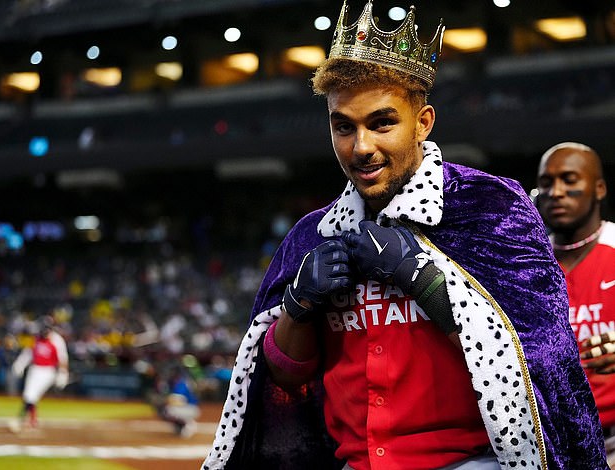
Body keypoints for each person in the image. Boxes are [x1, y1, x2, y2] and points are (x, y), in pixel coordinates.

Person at [203, 2, 607, 469]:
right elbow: (284, 376)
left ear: (424, 122)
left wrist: (425, 279)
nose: (362, 148)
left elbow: (536, 359)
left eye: (381, 123)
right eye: (343, 127)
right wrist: (298, 306)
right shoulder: (310, 235)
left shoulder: (490, 208)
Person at [536, 142, 615, 466]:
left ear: (598, 188)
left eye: (569, 180)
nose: (556, 192)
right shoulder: (524, 261)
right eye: (546, 183)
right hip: (549, 439)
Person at [10, 315, 69, 431]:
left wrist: (63, 373)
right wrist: (20, 364)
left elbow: (63, 358)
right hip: (35, 369)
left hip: (48, 371)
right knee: (30, 395)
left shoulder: (56, 340)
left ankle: (20, 419)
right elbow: (28, 353)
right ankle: (33, 420)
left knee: (31, 395)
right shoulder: (36, 338)